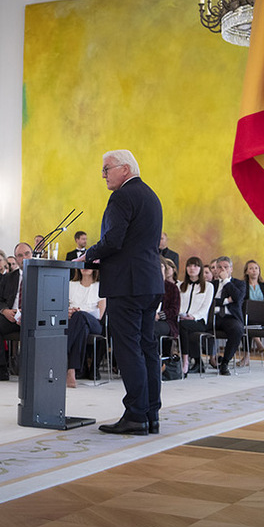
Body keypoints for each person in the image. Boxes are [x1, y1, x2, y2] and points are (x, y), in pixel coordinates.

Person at [79, 149, 163, 436]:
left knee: (128, 349)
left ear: (124, 169)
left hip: (127, 285)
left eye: (107, 169)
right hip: (150, 283)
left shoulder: (122, 196)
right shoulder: (150, 195)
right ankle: (151, 414)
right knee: (146, 347)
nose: (103, 175)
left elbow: (113, 240)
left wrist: (88, 254)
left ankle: (136, 415)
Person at [0, 242, 34, 381]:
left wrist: (27, 314)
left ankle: (34, 370)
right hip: (11, 316)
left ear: (32, 254)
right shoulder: (8, 278)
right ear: (15, 259)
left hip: (33, 317)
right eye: (20, 255)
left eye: (27, 254)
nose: (24, 258)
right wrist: (5, 311)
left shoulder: (41, 275)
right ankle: (1, 369)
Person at [66, 267, 105, 388]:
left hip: (94, 323)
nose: (85, 268)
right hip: (75, 323)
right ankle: (71, 369)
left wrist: (80, 312)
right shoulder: (71, 285)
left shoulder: (100, 286)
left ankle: (63, 352)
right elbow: (63, 307)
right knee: (82, 326)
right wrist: (69, 311)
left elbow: (100, 313)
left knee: (81, 316)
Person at [178, 256, 214, 374]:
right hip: (182, 318)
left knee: (183, 326)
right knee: (182, 326)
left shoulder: (208, 286)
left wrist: (193, 316)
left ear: (200, 269)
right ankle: (197, 362)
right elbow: (178, 304)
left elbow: (205, 307)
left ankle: (185, 360)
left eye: (195, 266)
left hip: (199, 321)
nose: (192, 268)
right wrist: (181, 314)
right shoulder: (181, 286)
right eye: (189, 265)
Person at [212, 256, 246, 375]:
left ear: (231, 269)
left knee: (237, 330)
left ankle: (225, 362)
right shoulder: (211, 284)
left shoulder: (239, 284)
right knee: (193, 326)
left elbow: (237, 298)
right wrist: (226, 301)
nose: (222, 270)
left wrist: (226, 281)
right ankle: (197, 360)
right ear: (215, 269)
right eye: (219, 267)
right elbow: (210, 302)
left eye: (225, 267)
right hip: (214, 316)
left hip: (230, 317)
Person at [154, 257, 181, 364]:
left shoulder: (172, 288)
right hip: (148, 318)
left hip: (166, 322)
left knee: (151, 329)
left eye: (161, 266)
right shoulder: (147, 286)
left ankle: (158, 362)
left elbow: (174, 310)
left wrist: (159, 315)